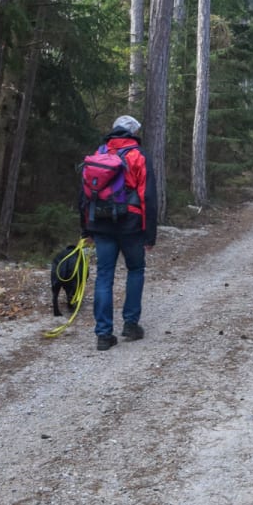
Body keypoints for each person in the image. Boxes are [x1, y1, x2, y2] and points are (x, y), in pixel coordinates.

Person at [80, 115, 157, 351]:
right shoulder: (138, 155)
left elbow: (84, 194)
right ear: (133, 133)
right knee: (135, 269)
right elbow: (148, 196)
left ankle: (103, 334)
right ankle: (130, 325)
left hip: (100, 223)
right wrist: (150, 234)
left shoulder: (100, 153)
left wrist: (86, 228)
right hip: (131, 224)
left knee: (104, 275)